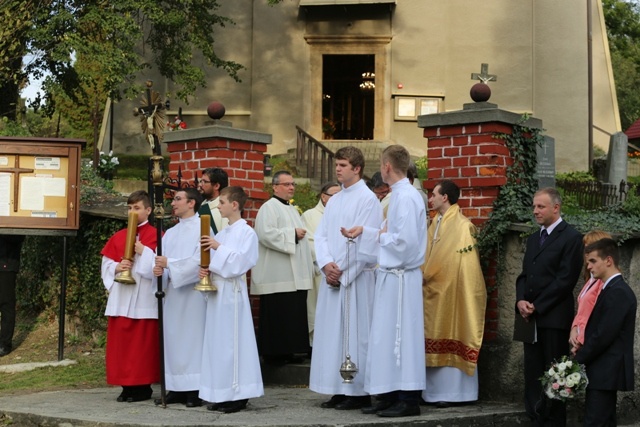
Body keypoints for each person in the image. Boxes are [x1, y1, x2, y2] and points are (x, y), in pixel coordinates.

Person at [344, 144, 427, 417]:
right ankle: (391, 393)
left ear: (387, 166)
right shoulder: (402, 195)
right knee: (387, 336)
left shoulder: (405, 197)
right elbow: (391, 234)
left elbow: (404, 242)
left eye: (381, 164)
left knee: (402, 337)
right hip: (393, 277)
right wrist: (369, 231)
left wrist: (376, 234)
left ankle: (408, 398)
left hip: (401, 278)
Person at [309, 146, 382, 410]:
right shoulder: (336, 199)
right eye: (337, 164)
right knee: (332, 335)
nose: (337, 169)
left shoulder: (368, 199)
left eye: (342, 165)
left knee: (355, 334)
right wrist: (327, 265)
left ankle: (358, 391)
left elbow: (366, 243)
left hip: (356, 279)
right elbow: (321, 236)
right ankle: (337, 389)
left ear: (357, 168)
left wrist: (343, 273)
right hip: (333, 276)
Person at [515, 187, 584, 426]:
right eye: (534, 206)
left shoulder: (572, 237)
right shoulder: (535, 238)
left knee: (555, 374)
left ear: (556, 207)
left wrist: (537, 305)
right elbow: (525, 275)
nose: (535, 211)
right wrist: (520, 300)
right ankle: (534, 417)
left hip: (554, 318)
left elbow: (565, 280)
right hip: (530, 318)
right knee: (532, 372)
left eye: (540, 206)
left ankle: (554, 421)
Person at [421, 180, 486, 407]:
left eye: (434, 195)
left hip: (452, 293)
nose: (431, 198)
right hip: (431, 291)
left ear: (445, 197)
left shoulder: (462, 226)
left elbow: (465, 266)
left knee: (453, 328)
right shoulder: (434, 222)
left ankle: (456, 394)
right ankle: (432, 393)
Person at [199, 186, 264, 414]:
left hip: (233, 293)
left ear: (234, 205)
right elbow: (215, 260)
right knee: (218, 344)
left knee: (233, 343)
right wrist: (206, 271)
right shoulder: (224, 232)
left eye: (223, 202)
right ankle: (222, 392)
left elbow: (242, 262)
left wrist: (218, 248)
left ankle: (239, 393)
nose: (218, 206)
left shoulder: (247, 232)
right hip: (218, 291)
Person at [100, 190, 159, 402]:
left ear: (148, 210)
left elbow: (156, 266)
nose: (132, 212)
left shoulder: (156, 234)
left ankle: (143, 387)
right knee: (122, 347)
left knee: (141, 347)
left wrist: (143, 252)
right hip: (122, 298)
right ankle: (126, 386)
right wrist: (117, 266)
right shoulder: (119, 236)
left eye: (137, 208)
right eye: (129, 208)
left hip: (143, 297)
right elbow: (106, 264)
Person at [251, 171, 314, 364]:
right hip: (277, 273)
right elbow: (264, 234)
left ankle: (294, 350)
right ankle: (275, 353)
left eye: (292, 184)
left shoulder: (293, 209)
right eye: (287, 184)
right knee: (279, 312)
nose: (291, 187)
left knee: (294, 312)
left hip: (295, 272)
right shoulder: (268, 207)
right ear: (275, 186)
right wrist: (292, 234)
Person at [153, 188, 206, 408]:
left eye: (177, 199)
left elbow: (200, 260)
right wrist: (159, 270)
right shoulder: (171, 232)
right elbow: (160, 258)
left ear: (191, 203)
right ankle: (175, 386)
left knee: (192, 340)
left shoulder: (202, 229)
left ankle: (194, 390)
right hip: (173, 294)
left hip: (192, 295)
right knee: (173, 339)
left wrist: (169, 265)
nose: (172, 203)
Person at [575, 238, 636, 427]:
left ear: (608, 261)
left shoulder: (618, 291)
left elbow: (603, 335)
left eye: (593, 261)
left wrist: (578, 359)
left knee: (595, 421)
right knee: (604, 421)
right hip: (602, 368)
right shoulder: (610, 288)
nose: (589, 266)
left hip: (606, 368)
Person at [301, 182, 341, 347]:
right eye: (334, 195)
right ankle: (315, 343)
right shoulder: (310, 216)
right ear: (324, 197)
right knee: (318, 309)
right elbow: (310, 242)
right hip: (320, 270)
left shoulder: (341, 213)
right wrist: (325, 263)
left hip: (340, 270)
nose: (339, 198)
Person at [569, 230, 612, 356]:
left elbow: (596, 315)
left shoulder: (603, 282)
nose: (586, 254)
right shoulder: (591, 279)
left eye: (590, 249)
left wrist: (581, 340)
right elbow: (582, 311)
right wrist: (574, 328)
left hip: (588, 342)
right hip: (580, 340)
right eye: (586, 249)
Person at [0, 234, 24, 357]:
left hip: (6, 266)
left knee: (6, 305)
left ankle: (4, 345)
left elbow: (19, 237)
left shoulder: (14, 216)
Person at [197, 167, 229, 234]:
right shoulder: (199, 207)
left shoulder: (225, 209)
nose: (200, 185)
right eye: (201, 181)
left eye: (205, 182)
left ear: (216, 186)